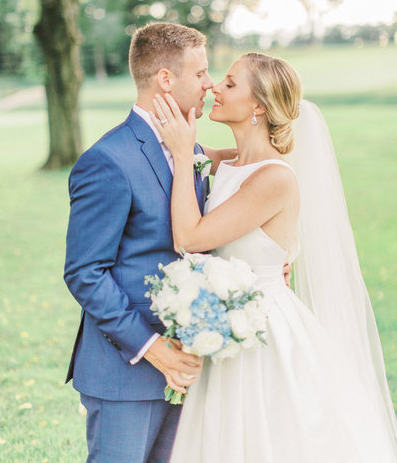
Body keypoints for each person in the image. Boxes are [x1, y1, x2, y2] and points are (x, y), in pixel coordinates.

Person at [151, 52, 397, 462]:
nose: (214, 87)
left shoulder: (275, 178)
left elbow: (191, 237)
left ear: (259, 106)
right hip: (225, 319)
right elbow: (184, 145)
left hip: (260, 330)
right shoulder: (228, 160)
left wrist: (180, 157)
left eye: (230, 84)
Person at [64, 22, 236, 462]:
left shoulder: (190, 150)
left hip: (191, 360)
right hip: (127, 370)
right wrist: (153, 349)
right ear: (165, 79)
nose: (209, 84)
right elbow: (86, 273)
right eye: (200, 73)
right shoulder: (107, 160)